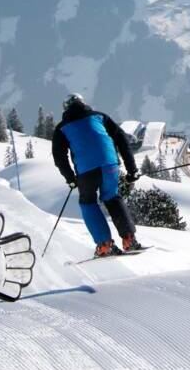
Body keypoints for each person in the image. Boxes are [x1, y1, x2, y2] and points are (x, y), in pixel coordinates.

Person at [50, 94, 145, 257]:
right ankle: (129, 240)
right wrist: (131, 170)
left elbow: (59, 156)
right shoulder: (100, 117)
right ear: (83, 103)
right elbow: (122, 139)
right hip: (110, 165)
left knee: (88, 202)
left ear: (65, 108)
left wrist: (70, 179)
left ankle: (104, 245)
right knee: (112, 197)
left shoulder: (62, 128)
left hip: (86, 171)